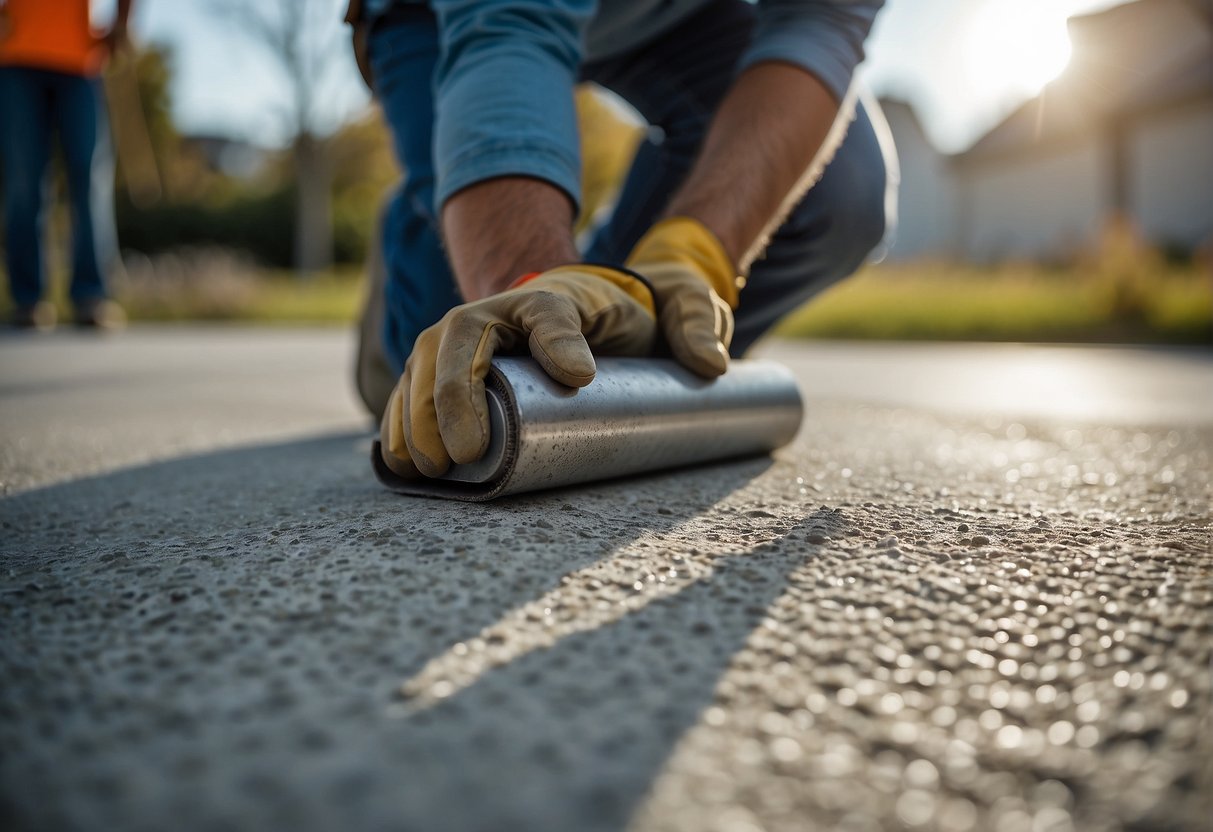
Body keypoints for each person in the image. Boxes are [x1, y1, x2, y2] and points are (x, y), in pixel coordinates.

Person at [346, 0, 897, 481]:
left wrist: (694, 253)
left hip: (664, 16)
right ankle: (428, 219)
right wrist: (530, 283)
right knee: (459, 377)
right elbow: (510, 26)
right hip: (445, 15)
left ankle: (599, 292)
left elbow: (821, 19)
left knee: (836, 201)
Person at [0, 0, 131, 330]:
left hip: (80, 59)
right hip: (17, 52)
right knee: (24, 181)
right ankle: (27, 299)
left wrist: (122, 21)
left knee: (89, 179)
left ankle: (91, 295)